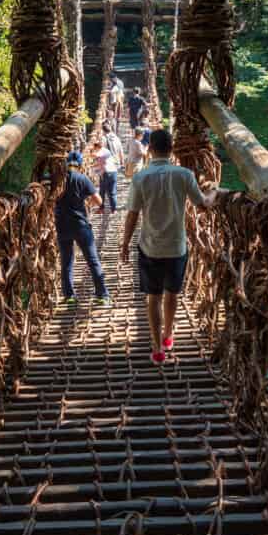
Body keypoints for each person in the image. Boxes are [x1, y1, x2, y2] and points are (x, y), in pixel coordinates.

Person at [120, 129, 220, 365]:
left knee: (152, 298)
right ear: (172, 148)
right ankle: (168, 335)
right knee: (172, 294)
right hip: (176, 247)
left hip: (149, 247)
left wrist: (124, 243)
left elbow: (132, 215)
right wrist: (215, 191)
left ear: (150, 149)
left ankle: (156, 348)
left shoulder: (140, 177)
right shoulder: (184, 174)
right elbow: (203, 204)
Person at [55, 152, 111, 306]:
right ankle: (102, 295)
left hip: (61, 225)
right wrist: (97, 206)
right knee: (93, 260)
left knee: (66, 262)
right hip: (80, 224)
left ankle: (70, 297)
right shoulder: (82, 178)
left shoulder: (57, 179)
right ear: (80, 165)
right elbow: (98, 200)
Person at [93, 134, 119, 213]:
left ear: (97, 147)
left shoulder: (101, 151)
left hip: (106, 173)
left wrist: (91, 154)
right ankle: (114, 210)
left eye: (95, 148)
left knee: (102, 191)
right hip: (113, 172)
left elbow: (96, 156)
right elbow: (100, 162)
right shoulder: (107, 151)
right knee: (112, 192)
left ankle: (101, 208)